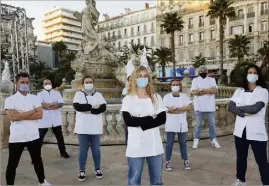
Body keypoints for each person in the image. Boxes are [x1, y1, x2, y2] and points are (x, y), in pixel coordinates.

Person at [120, 66, 167, 185]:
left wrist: (142, 124)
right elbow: (129, 121)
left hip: (154, 144)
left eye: (145, 76)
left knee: (157, 181)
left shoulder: (156, 97)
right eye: (139, 76)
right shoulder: (128, 99)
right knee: (134, 180)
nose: (143, 78)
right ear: (134, 79)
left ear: (149, 79)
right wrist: (149, 118)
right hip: (135, 145)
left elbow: (162, 119)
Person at [4, 73, 50, 185]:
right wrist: (32, 111)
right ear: (16, 84)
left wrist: (20, 115)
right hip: (17, 137)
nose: (25, 85)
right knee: (12, 164)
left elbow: (40, 115)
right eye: (22, 82)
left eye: (27, 82)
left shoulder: (34, 98)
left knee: (37, 160)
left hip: (33, 135)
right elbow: (12, 117)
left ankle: (42, 181)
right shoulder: (10, 100)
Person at [228, 64, 269, 186]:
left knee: (261, 160)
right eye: (249, 72)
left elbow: (256, 108)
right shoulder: (239, 91)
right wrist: (243, 113)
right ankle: (241, 180)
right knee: (241, 158)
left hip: (257, 131)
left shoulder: (263, 91)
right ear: (246, 75)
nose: (252, 75)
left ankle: (266, 183)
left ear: (258, 75)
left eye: (254, 72)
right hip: (240, 130)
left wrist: (238, 108)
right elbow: (230, 106)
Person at [73, 76, 107, 182]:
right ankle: (82, 170)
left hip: (95, 127)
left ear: (93, 83)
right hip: (82, 127)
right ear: (83, 84)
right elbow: (77, 107)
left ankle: (98, 169)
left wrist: (88, 110)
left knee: (96, 150)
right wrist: (93, 106)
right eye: (87, 82)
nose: (89, 83)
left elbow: (103, 108)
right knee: (83, 150)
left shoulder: (99, 94)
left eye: (90, 82)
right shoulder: (78, 94)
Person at [163, 80, 192, 171]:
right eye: (173, 85)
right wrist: (180, 110)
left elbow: (189, 107)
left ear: (179, 86)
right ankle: (168, 161)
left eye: (177, 84)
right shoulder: (167, 97)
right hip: (171, 123)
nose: (175, 86)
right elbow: (166, 109)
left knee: (183, 143)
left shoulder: (184, 96)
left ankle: (186, 160)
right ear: (171, 86)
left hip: (181, 123)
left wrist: (178, 109)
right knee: (169, 144)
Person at [37, 79, 69, 158]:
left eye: (49, 83)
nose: (48, 84)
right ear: (43, 85)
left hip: (55, 119)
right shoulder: (40, 94)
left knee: (60, 137)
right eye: (46, 83)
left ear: (51, 84)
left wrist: (49, 105)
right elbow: (40, 104)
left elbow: (61, 103)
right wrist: (53, 104)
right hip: (44, 119)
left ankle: (63, 152)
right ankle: (36, 156)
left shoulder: (57, 93)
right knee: (39, 139)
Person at [190, 65, 221, 149]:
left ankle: (213, 140)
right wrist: (208, 91)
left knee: (212, 124)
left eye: (204, 70)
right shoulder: (195, 80)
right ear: (198, 72)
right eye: (201, 70)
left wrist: (202, 90)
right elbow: (194, 92)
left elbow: (214, 91)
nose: (203, 72)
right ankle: (196, 140)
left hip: (210, 106)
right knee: (198, 125)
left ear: (207, 72)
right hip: (198, 106)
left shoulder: (212, 80)